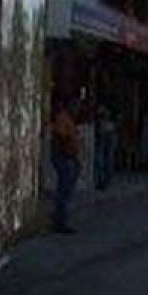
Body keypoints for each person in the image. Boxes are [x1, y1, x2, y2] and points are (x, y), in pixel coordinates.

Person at [50, 97, 81, 234]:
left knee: (67, 190)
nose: (77, 110)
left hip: (70, 157)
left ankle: (61, 218)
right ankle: (60, 221)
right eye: (75, 106)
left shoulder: (70, 119)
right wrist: (66, 153)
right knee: (64, 190)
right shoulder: (63, 118)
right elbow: (59, 138)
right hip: (64, 158)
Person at [94, 102, 117, 192]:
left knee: (106, 160)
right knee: (101, 161)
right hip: (103, 138)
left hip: (107, 138)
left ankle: (104, 180)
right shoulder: (102, 121)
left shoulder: (109, 122)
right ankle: (101, 180)